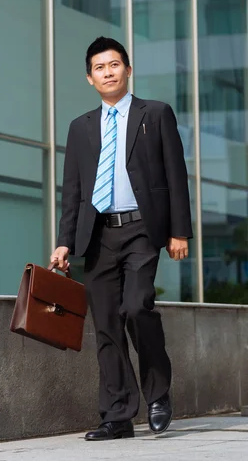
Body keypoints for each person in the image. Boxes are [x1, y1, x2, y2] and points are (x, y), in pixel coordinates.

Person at [50, 36, 193, 441]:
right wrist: (65, 241)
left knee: (136, 306)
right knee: (108, 324)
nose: (108, 72)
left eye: (115, 65)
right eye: (100, 68)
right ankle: (117, 415)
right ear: (90, 78)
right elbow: (73, 191)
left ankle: (158, 393)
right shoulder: (80, 128)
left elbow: (175, 176)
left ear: (128, 70)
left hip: (143, 231)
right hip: (97, 235)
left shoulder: (156, 114)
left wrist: (178, 231)